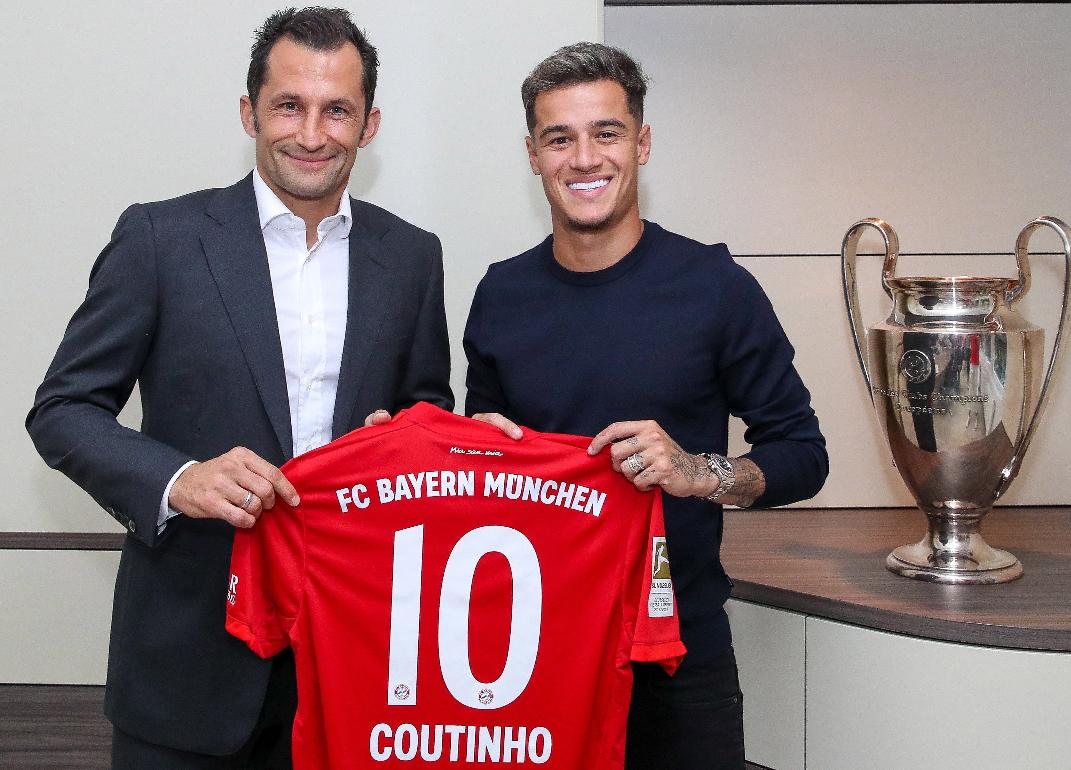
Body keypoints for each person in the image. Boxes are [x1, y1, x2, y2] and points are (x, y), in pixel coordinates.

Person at [26, 8, 452, 768]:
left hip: (355, 666)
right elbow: (62, 410)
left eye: (337, 110)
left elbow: (428, 410)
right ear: (250, 112)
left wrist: (405, 443)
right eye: (289, 106)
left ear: (370, 125)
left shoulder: (413, 257)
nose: (312, 134)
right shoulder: (160, 239)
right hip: (186, 666)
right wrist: (178, 479)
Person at [465, 42, 828, 770]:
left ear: (643, 143)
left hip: (679, 652)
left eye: (607, 132)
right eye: (559, 138)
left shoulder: (715, 287)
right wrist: (473, 448)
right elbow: (486, 459)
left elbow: (803, 455)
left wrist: (699, 473)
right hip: (536, 649)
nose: (584, 158)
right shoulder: (501, 294)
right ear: (533, 156)